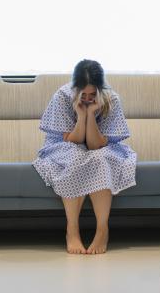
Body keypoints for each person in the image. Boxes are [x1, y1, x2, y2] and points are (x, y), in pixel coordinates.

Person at [32, 59, 137, 254]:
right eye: (84, 95)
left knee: (101, 158)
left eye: (92, 94)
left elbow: (95, 144)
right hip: (64, 145)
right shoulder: (63, 96)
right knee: (74, 157)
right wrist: (82, 115)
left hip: (101, 146)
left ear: (100, 89)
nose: (88, 98)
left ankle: (102, 230)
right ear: (76, 89)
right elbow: (74, 140)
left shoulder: (110, 99)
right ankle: (72, 230)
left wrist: (92, 113)